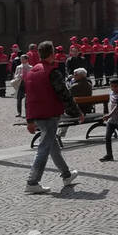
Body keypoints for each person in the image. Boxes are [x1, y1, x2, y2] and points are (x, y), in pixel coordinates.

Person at [23, 39, 82, 193]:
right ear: (52, 54)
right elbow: (65, 94)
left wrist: (29, 119)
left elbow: (27, 97)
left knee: (52, 146)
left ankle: (66, 175)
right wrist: (77, 112)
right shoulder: (52, 72)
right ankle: (32, 181)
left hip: (37, 115)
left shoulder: (31, 72)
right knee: (44, 148)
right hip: (50, 114)